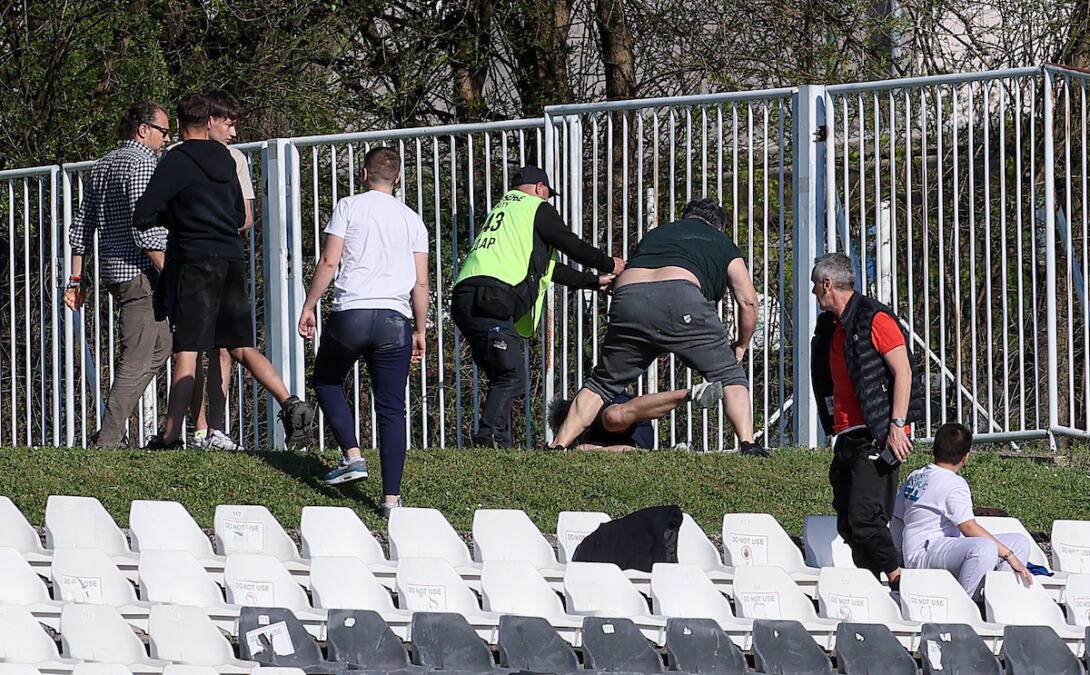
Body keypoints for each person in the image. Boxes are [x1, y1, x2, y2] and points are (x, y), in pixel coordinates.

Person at [132, 93, 314, 449]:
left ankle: (170, 436)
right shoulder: (228, 159)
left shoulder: (176, 160)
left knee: (187, 349)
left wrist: (176, 216)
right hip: (231, 258)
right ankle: (290, 402)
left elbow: (144, 213)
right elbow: (238, 215)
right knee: (240, 345)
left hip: (195, 260)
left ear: (180, 124)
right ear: (208, 121)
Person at [550, 198, 763, 455]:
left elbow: (636, 271)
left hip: (628, 298)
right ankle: (749, 445)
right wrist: (741, 345)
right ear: (719, 225)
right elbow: (748, 301)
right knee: (730, 376)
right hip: (681, 297)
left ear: (685, 217)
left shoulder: (657, 234)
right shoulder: (721, 241)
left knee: (601, 384)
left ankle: (557, 446)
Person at [452, 165, 623, 448]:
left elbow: (548, 269)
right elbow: (571, 245)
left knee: (502, 374)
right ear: (540, 188)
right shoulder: (536, 208)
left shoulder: (503, 213)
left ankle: (499, 443)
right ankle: (488, 440)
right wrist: (610, 264)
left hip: (466, 298)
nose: (547, 199)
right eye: (547, 194)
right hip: (492, 297)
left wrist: (594, 281)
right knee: (511, 375)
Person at [298, 147, 428, 517]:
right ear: (398, 178)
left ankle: (352, 456)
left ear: (364, 173)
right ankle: (391, 500)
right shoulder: (412, 220)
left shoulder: (349, 207)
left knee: (326, 381)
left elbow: (330, 261)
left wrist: (309, 306)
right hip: (395, 320)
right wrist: (420, 329)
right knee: (391, 409)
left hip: (352, 314)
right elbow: (420, 283)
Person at [810, 251, 924, 583]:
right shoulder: (829, 326)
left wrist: (897, 426)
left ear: (827, 284)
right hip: (847, 433)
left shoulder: (874, 317)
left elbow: (903, 371)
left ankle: (898, 578)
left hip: (876, 433)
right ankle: (871, 583)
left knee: (865, 516)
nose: (814, 292)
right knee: (848, 522)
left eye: (816, 285)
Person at [64, 101, 173, 448]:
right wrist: (172, 273)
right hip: (140, 273)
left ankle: (112, 429)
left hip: (116, 271)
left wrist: (76, 279)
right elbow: (146, 230)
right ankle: (108, 439)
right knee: (136, 359)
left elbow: (82, 225)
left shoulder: (104, 163)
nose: (166, 139)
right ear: (143, 129)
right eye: (163, 131)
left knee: (162, 347)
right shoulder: (142, 163)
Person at [186, 89, 256, 452]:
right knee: (191, 347)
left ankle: (216, 428)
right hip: (193, 261)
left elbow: (246, 216)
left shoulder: (236, 159)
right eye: (228, 124)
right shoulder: (179, 155)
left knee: (225, 348)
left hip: (226, 261)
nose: (233, 132)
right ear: (209, 121)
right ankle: (198, 429)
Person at [893, 422, 1033, 599]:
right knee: (984, 548)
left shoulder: (916, 476)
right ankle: (964, 604)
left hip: (933, 549)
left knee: (1019, 542)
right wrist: (1009, 555)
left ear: (934, 449)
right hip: (925, 551)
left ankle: (997, 600)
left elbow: (897, 517)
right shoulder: (954, 483)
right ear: (965, 457)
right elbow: (968, 528)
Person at [548, 381, 723, 451]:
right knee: (584, 450)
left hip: (632, 419)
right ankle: (662, 456)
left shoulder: (592, 403)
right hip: (635, 445)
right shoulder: (580, 442)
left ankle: (692, 394)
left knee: (613, 416)